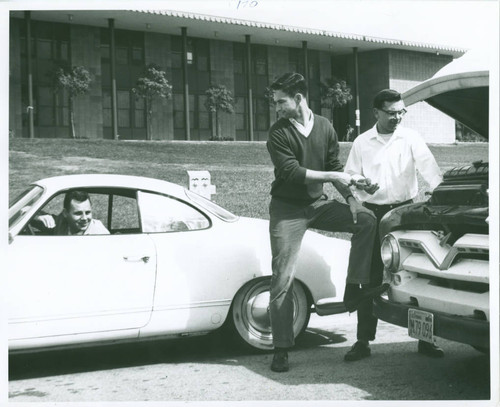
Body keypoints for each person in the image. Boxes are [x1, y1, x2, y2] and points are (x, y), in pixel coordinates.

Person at [266, 72, 388, 373]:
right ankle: (281, 347)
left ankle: (355, 286)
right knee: (282, 276)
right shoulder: (278, 133)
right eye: (275, 103)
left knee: (367, 219)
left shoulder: (325, 126)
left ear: (298, 99)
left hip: (318, 205)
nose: (277, 108)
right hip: (287, 210)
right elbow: (292, 173)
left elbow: (334, 166)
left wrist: (352, 198)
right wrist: (335, 177)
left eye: (281, 102)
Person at [343, 89, 444, 361]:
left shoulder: (410, 137)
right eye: (391, 113)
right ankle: (363, 340)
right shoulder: (362, 142)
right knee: (371, 277)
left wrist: (441, 195)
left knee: (418, 274)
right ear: (376, 112)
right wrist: (360, 182)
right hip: (373, 216)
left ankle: (425, 339)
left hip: (405, 214)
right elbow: (350, 175)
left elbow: (429, 168)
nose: (397, 117)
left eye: (401, 112)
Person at [32, 190, 109, 235]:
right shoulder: (61, 222)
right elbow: (25, 215)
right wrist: (37, 217)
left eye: (88, 212)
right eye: (78, 213)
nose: (84, 218)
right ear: (65, 213)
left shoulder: (99, 233)